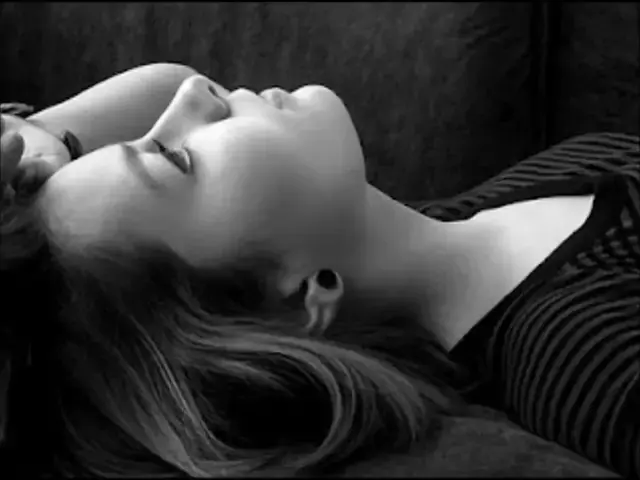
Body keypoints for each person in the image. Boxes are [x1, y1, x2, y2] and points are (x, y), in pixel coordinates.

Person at [0, 62, 637, 478]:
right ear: (302, 300)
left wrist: (44, 133)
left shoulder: (483, 211)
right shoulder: (582, 356)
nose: (192, 96)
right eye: (174, 158)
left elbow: (174, 78)